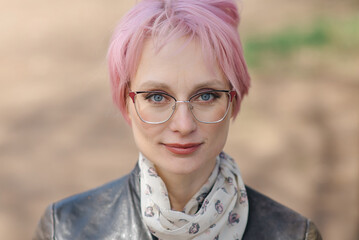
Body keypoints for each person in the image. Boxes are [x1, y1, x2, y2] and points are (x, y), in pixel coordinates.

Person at [34, 0, 322, 239]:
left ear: (233, 101)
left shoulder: (293, 234)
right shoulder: (65, 230)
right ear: (126, 101)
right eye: (157, 97)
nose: (183, 125)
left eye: (206, 96)